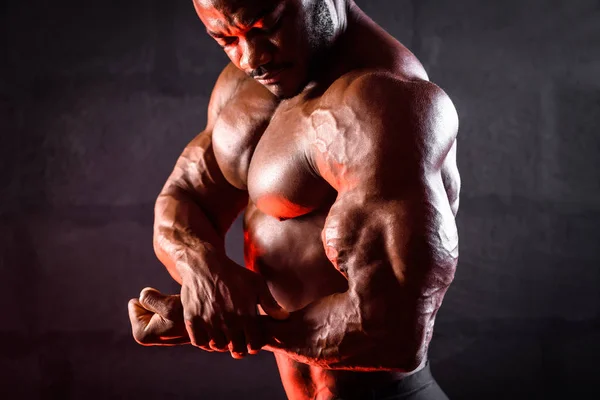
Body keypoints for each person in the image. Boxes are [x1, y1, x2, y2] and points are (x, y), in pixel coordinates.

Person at [127, 0, 460, 398]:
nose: (251, 58)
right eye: (226, 39)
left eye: (268, 25)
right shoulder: (241, 86)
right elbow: (186, 196)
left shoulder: (384, 104)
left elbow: (397, 336)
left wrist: (241, 327)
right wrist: (201, 266)